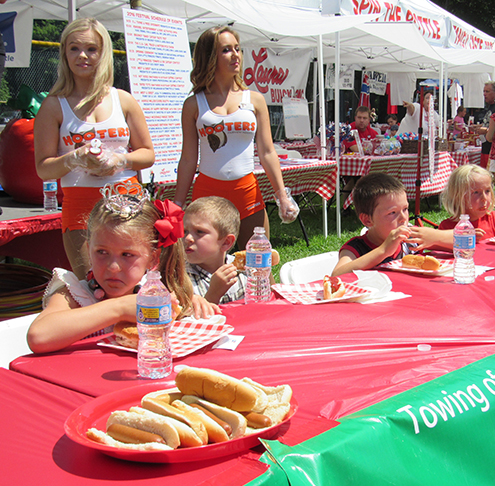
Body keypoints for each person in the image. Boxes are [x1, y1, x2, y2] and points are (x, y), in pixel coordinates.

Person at [26, 182, 220, 354]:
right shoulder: (74, 294)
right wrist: (119, 308)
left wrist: (192, 301)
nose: (113, 267)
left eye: (127, 255)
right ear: (88, 248)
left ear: (153, 258)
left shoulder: (156, 293)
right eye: (102, 252)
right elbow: (38, 337)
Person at [33, 18, 155, 279]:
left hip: (127, 200)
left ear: (103, 53)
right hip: (80, 205)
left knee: (135, 281)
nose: (82, 56)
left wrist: (119, 160)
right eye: (74, 48)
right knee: (90, 286)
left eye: (91, 49)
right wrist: (75, 158)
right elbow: (43, 169)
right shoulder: (53, 106)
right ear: (64, 53)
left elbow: (147, 154)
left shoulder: (122, 99)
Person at [174, 26, 297, 252]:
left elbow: (268, 152)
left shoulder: (255, 100)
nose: (235, 55)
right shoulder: (193, 104)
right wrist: (177, 205)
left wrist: (282, 195)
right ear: (210, 56)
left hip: (247, 192)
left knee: (259, 264)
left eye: (237, 49)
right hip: (207, 194)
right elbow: (188, 159)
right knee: (205, 267)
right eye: (226, 50)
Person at [408, 164, 495, 251]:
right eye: (476, 193)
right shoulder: (448, 226)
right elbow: (437, 250)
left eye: (487, 191)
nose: (484, 198)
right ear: (458, 196)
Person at [332, 173, 414, 277]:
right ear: (367, 220)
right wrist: (383, 250)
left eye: (405, 209)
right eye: (392, 212)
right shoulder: (356, 248)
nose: (403, 218)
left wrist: (433, 236)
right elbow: (336, 275)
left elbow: (440, 242)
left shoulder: (412, 239)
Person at [183, 196, 246, 304]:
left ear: (226, 242)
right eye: (184, 231)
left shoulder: (243, 270)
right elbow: (191, 319)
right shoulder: (179, 276)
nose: (188, 238)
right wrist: (213, 294)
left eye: (199, 231)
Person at [476, 81, 495, 169]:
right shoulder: (489, 106)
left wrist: (486, 130)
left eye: (487, 91)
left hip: (493, 149)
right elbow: (488, 122)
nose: (484, 94)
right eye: (484, 91)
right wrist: (479, 127)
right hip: (485, 146)